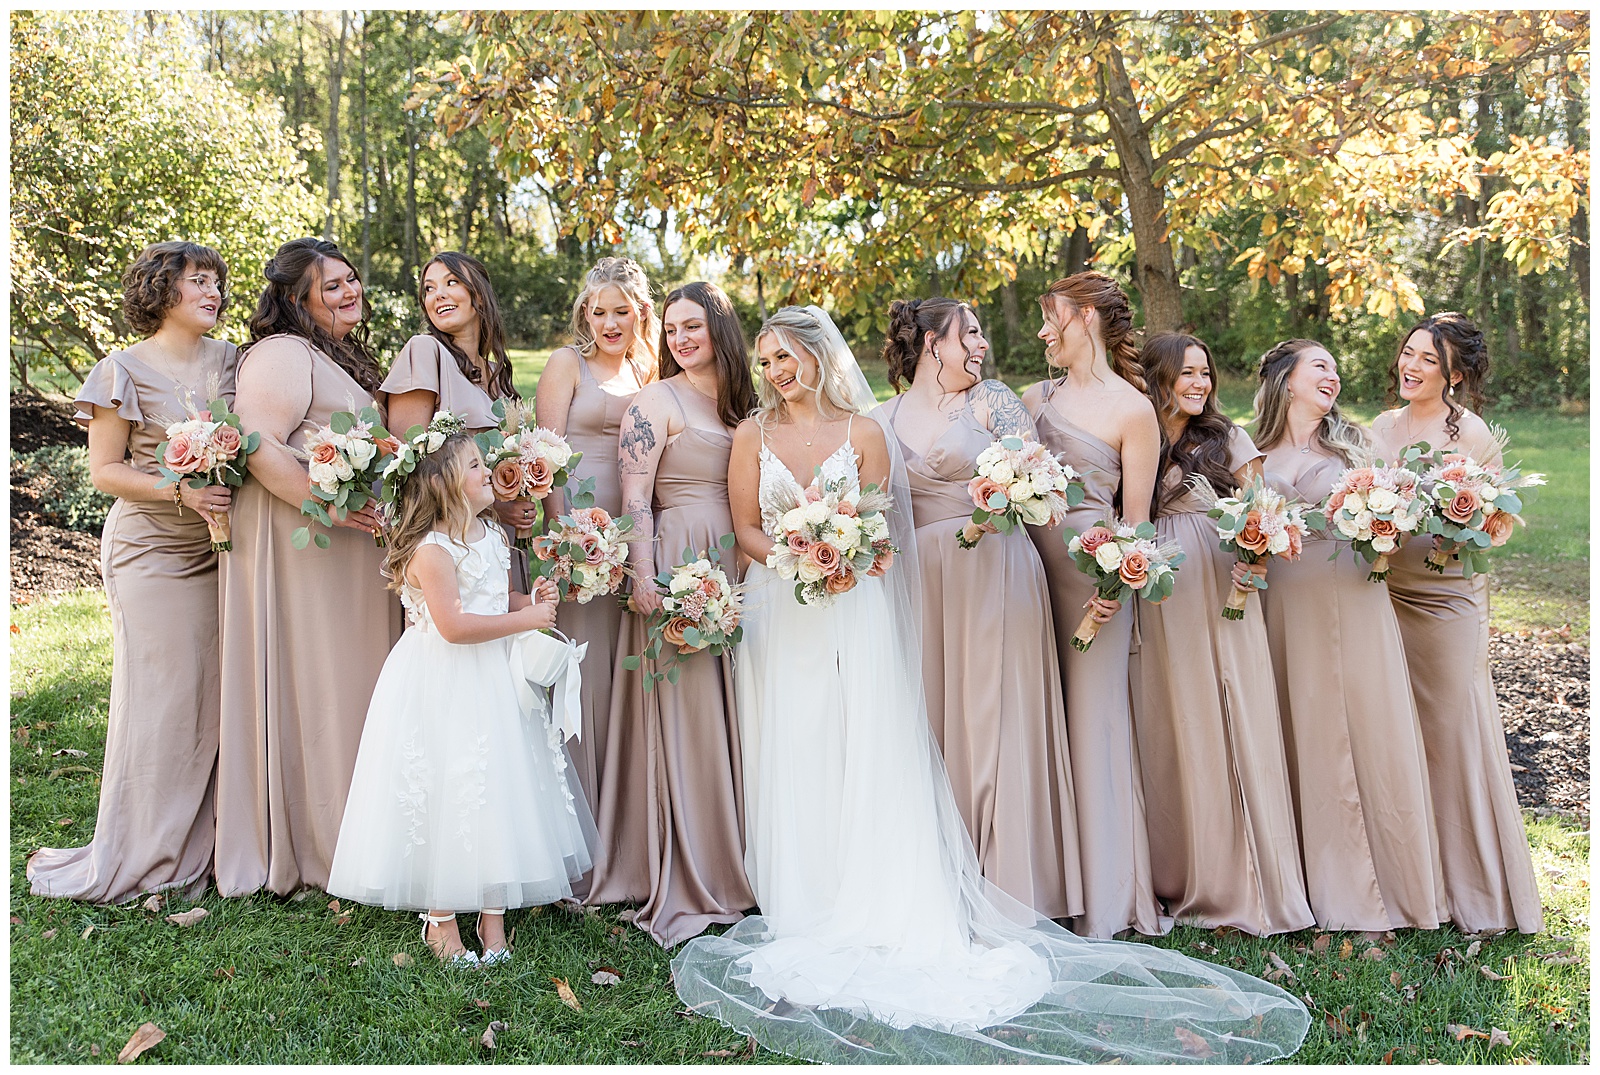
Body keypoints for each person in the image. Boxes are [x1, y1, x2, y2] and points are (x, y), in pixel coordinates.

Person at [671, 305, 1311, 1065]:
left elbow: (885, 520)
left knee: (875, 739)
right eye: (768, 360)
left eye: (788, 357)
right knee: (795, 741)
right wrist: (798, 556)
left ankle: (896, 888)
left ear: (815, 355)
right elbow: (747, 523)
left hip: (869, 602)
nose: (778, 372)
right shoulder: (756, 434)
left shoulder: (873, 427)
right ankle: (800, 893)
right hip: (786, 602)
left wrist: (843, 555)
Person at [326, 423, 594, 965]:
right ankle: (442, 920)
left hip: (493, 680)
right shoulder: (432, 551)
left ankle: (493, 921)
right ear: (446, 485)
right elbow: (453, 625)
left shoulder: (493, 536)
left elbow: (496, 596)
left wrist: (528, 600)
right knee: (448, 789)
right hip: (442, 680)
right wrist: (524, 621)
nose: (486, 470)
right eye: (473, 465)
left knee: (495, 786)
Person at [28, 241, 239, 904]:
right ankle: (147, 852)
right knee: (163, 699)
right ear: (162, 291)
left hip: (221, 548)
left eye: (216, 283)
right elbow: (106, 471)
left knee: (213, 696)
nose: (213, 293)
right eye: (198, 282)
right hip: (150, 550)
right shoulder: (121, 369)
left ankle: (203, 842)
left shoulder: (233, 361)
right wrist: (181, 490)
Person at [873, 297, 1082, 921]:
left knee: (998, 711)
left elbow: (1043, 478)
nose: (982, 344)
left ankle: (1015, 880)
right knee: (935, 714)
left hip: (994, 564)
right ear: (934, 343)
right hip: (920, 582)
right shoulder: (880, 417)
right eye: (971, 334)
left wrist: (1006, 498)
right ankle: (945, 871)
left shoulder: (994, 401)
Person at [215, 237, 403, 897]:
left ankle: (358, 829)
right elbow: (259, 443)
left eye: (352, 280)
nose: (350, 292)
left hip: (346, 545)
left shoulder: (336, 354)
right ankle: (320, 838)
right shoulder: (282, 352)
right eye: (332, 286)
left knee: (352, 681)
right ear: (297, 300)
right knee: (322, 682)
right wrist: (327, 509)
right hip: (307, 544)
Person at [1253, 338, 1447, 932]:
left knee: (1365, 727)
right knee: (1302, 727)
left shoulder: (1356, 445)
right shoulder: (1250, 451)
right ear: (1286, 380)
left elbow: (1397, 520)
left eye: (1336, 369)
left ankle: (1385, 885)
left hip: (1352, 596)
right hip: (1283, 605)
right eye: (1320, 366)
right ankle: (1307, 881)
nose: (1333, 376)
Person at [586, 281, 758, 946]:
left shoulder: (744, 403)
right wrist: (643, 574)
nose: (683, 339)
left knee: (735, 713)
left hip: (740, 567)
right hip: (678, 565)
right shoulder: (653, 401)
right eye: (674, 329)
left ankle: (740, 856)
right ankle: (691, 863)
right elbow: (635, 496)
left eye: (696, 327)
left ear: (721, 330)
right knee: (685, 715)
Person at [1129, 333, 1313, 936]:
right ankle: (1177, 870)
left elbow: (1267, 513)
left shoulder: (1227, 437)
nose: (1199, 384)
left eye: (1205, 373)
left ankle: (1243, 878)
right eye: (1186, 373)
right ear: (1158, 377)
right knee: (1170, 719)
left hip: (1219, 582)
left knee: (1232, 708)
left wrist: (1253, 559)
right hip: (1156, 590)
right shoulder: (1137, 432)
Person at [1369, 313, 1542, 934]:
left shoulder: (1472, 437)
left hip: (1444, 601)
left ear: (1454, 375)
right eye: (1408, 354)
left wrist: (1452, 530)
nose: (1411, 368)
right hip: (1383, 594)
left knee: (1450, 735)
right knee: (1394, 735)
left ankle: (1473, 888)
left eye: (1428, 361)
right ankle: (1410, 880)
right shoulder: (1380, 428)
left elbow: (1490, 532)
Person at [1021, 272, 1167, 939]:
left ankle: (1106, 899)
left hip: (1094, 583)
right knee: (1039, 724)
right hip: (1024, 574)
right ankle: (1045, 882)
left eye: (1051, 318)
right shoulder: (1031, 399)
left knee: (1094, 726)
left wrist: (1116, 585)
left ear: (1084, 318)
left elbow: (1135, 520)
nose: (1043, 332)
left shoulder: (1134, 410)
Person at [535, 256, 658, 808]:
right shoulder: (567, 364)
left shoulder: (650, 372)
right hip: (576, 535)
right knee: (578, 666)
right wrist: (565, 537)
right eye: (600, 312)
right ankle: (569, 807)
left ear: (640, 314)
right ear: (586, 312)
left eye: (622, 313)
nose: (610, 324)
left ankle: (617, 805)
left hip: (629, 533)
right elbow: (546, 455)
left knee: (618, 670)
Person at [383, 251, 531, 590]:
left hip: (497, 540)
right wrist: (491, 503)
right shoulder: (424, 352)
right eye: (429, 289)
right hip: (449, 549)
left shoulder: (496, 376)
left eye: (452, 283)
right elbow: (408, 469)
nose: (439, 295)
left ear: (478, 294)